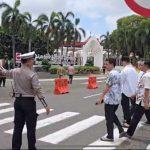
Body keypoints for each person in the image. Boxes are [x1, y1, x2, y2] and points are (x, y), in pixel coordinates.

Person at [0, 51, 50, 150]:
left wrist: (0, 66)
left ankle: (15, 148)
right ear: (27, 62)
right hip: (29, 103)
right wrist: (45, 105)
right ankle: (31, 148)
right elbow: (38, 91)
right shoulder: (32, 74)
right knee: (31, 129)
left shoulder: (14, 71)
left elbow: (3, 72)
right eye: (32, 60)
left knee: (17, 128)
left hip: (18, 102)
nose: (33, 61)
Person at [96, 58, 125, 141]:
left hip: (110, 99)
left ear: (112, 64)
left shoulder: (111, 74)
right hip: (117, 99)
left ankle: (110, 136)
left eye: (107, 64)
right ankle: (121, 130)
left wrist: (100, 98)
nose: (105, 65)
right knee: (112, 115)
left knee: (109, 118)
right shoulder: (118, 72)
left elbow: (107, 88)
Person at [120, 61, 150, 139]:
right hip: (143, 99)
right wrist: (135, 94)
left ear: (146, 66)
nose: (140, 66)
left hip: (142, 100)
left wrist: (146, 102)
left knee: (135, 118)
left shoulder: (147, 75)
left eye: (142, 65)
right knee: (137, 117)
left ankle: (129, 134)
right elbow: (141, 87)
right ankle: (129, 133)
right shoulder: (146, 74)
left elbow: (146, 89)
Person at [120, 56, 138, 128]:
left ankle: (127, 121)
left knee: (125, 107)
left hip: (125, 91)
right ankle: (128, 119)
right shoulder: (133, 69)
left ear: (124, 61)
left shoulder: (125, 70)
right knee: (134, 106)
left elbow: (120, 80)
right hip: (134, 91)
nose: (122, 64)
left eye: (122, 62)